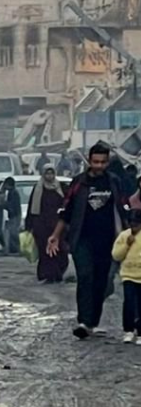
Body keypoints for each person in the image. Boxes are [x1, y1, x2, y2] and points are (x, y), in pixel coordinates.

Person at [48, 142, 129, 340]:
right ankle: (83, 321)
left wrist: (129, 237)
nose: (99, 166)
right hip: (82, 239)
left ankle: (92, 322)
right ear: (89, 160)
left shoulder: (114, 182)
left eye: (103, 162)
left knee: (102, 282)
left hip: (109, 241)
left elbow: (122, 209)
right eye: (95, 162)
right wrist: (55, 236)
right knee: (85, 277)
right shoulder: (78, 183)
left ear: (107, 162)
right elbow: (66, 212)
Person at [27, 166, 68, 283]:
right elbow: (32, 208)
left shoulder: (61, 188)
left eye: (51, 174)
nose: (49, 176)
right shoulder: (38, 188)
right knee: (45, 251)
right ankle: (49, 275)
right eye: (47, 174)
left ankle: (58, 273)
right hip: (42, 226)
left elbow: (67, 205)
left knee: (59, 251)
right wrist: (29, 226)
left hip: (57, 226)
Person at [112, 210, 141, 344]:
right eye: (132, 224)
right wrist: (127, 244)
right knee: (129, 302)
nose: (134, 227)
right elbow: (116, 255)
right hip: (128, 275)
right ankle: (128, 330)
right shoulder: (124, 236)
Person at [3, 177, 22, 255]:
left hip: (15, 215)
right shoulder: (12, 192)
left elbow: (12, 206)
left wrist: (4, 204)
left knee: (14, 233)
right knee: (10, 232)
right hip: (13, 215)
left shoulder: (13, 193)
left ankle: (20, 249)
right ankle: (12, 249)